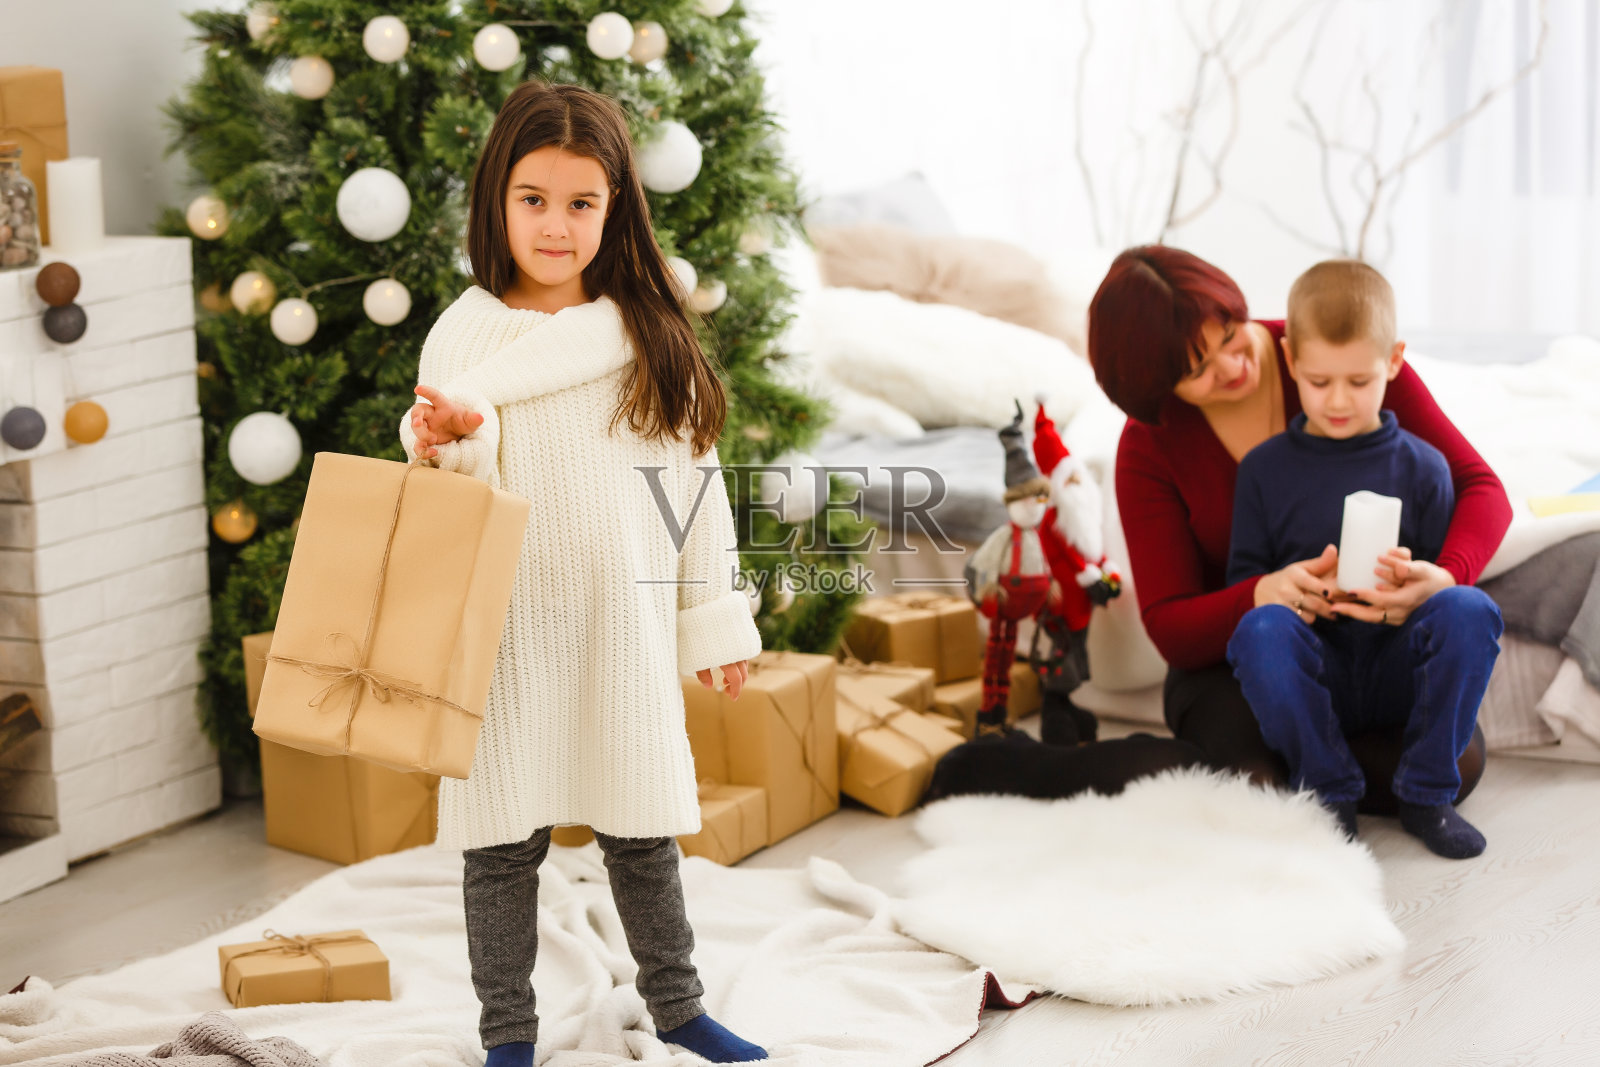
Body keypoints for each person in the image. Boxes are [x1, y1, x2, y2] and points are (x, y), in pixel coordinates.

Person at [399, 82, 768, 1066]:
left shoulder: (648, 335)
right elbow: (456, 478)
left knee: (641, 830)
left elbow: (693, 489)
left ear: (615, 211)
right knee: (500, 846)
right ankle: (507, 1036)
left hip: (622, 625)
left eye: (579, 203)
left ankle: (679, 1006)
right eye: (532, 200)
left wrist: (714, 621)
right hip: (509, 635)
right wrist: (452, 438)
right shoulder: (465, 335)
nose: (554, 227)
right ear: (496, 200)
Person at [1087, 245, 1509, 810]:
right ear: (1159, 388)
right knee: (1260, 783)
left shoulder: (1331, 355)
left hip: (1370, 649)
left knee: (1458, 765)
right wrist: (1260, 594)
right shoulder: (1149, 446)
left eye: (1231, 335)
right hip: (1242, 664)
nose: (1234, 368)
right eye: (1198, 370)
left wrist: (1447, 577)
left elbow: (1482, 488)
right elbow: (1170, 625)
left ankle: (1318, 765)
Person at [1224, 260, 1502, 857]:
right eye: (1319, 381)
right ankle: (1328, 791)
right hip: (1314, 666)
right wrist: (1287, 589)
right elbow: (1246, 584)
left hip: (1394, 666)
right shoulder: (1264, 471)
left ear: (1395, 361)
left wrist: (1415, 588)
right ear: (1290, 359)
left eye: (1360, 380)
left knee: (1469, 609)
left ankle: (1428, 794)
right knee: (1258, 629)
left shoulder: (1424, 466)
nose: (1340, 401)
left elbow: (1438, 608)